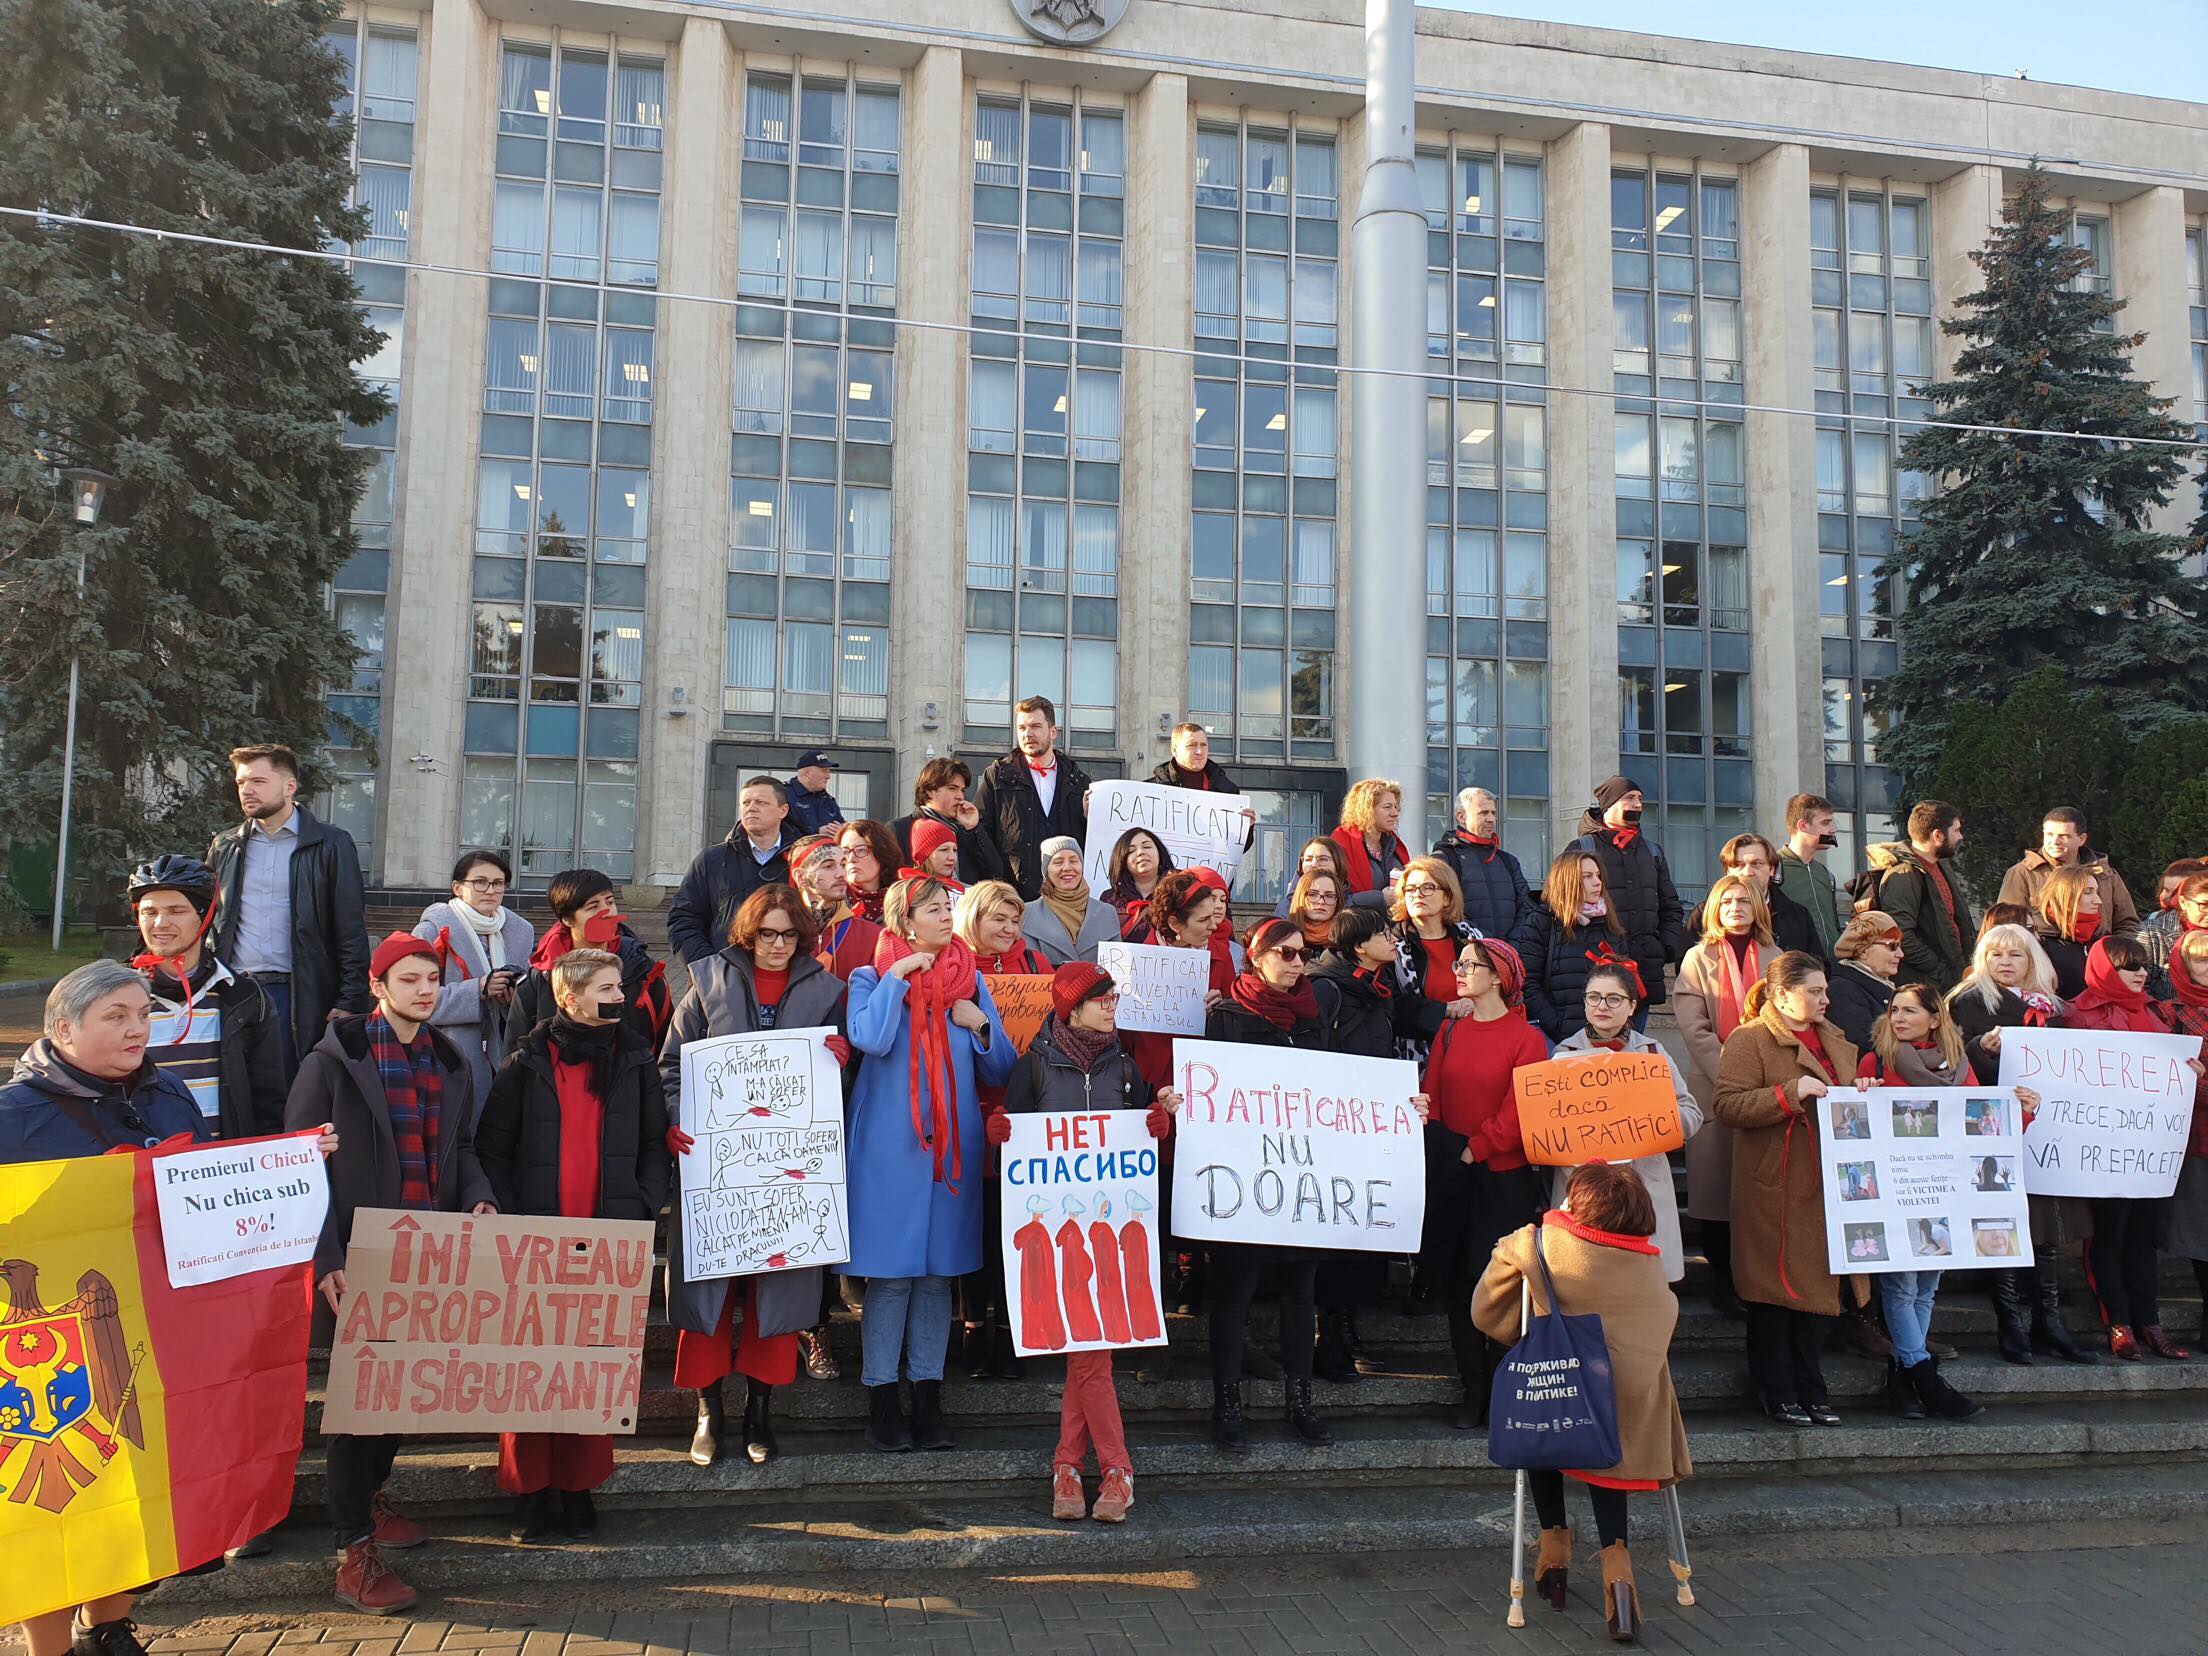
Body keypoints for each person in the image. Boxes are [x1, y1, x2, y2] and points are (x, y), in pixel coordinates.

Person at [0, 963, 212, 1656]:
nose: (134, 1029)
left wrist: (287, 1166)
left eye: (141, 1015)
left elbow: (205, 1186)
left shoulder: (168, 1091)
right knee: (56, 1506)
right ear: (62, 1030)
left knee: (139, 1484)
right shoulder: (12, 1114)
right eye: (114, 1017)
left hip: (153, 1327)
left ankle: (108, 1625)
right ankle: (48, 1648)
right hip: (51, 1347)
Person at [287, 933, 497, 1614]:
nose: (425, 991)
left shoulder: (449, 1059)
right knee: (356, 1404)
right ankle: (353, 1552)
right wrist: (325, 1257)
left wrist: (478, 1196)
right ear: (379, 986)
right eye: (410, 979)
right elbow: (300, 1165)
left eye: (433, 979)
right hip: (358, 1253)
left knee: (400, 1391)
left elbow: (461, 1147)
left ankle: (371, 1504)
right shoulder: (334, 1060)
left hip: (427, 1254)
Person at [475, 946, 670, 1541]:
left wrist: (640, 1201)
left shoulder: (635, 1059)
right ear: (570, 997)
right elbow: (493, 1150)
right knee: (528, 1372)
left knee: (593, 1368)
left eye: (619, 988)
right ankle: (530, 1495)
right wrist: (514, 1218)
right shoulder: (523, 1064)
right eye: (608, 989)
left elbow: (653, 1143)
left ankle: (580, 1488)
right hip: (536, 1243)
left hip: (607, 1239)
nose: (621, 997)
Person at [661, 886, 850, 1466]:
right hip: (715, 1168)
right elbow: (672, 1064)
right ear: (747, 933)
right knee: (712, 1291)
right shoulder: (707, 980)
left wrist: (845, 1061)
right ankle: (708, 1409)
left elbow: (838, 1093)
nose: (776, 945)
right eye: (766, 933)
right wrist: (676, 1122)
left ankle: (759, 1412)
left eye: (788, 934)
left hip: (790, 1173)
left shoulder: (828, 991)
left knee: (777, 1287)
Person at [1474, 1162, 1692, 1647]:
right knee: (1604, 1445)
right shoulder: (1651, 1264)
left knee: (1547, 1421)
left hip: (1563, 1389)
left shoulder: (1542, 1245)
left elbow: (1486, 1313)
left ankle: (1553, 1549)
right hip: (1634, 1402)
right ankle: (1619, 1573)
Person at [991, 961, 1179, 1523]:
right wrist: (1001, 1133)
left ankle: (1069, 1466)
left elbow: (1136, 1128)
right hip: (1056, 1239)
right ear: (1073, 1007)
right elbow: (1013, 1139)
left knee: (1090, 1357)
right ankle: (1116, 1470)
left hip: (1115, 1232)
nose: (1112, 1006)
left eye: (1113, 998)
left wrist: (1153, 1123)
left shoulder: (1125, 1065)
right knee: (1091, 1357)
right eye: (1102, 999)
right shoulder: (1034, 1067)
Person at [845, 876, 1018, 1451]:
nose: (948, 917)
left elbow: (1000, 1069)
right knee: (891, 1279)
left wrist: (982, 1025)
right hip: (888, 1152)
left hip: (953, 1150)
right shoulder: (869, 977)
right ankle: (879, 1402)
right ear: (904, 919)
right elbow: (870, 1038)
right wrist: (898, 978)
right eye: (934, 909)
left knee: (938, 1276)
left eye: (949, 908)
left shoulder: (970, 981)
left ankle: (927, 1397)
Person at [1202, 919, 1337, 1450]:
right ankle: (1227, 1407)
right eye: (1284, 954)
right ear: (1255, 958)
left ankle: (1300, 1401)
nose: (1296, 963)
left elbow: (1333, 1091)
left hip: (1298, 1174)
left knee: (1301, 1294)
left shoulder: (1312, 1016)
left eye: (1302, 954)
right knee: (1233, 1294)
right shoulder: (1229, 1017)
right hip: (1246, 1177)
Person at [1713, 951, 1856, 1427]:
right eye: (1813, 991)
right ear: (1779, 994)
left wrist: (1864, 1092)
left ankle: (1811, 1388)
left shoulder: (1834, 1039)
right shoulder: (1749, 1039)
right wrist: (1789, 1094)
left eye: (1824, 989)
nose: (1825, 998)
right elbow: (1728, 1106)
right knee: (1773, 1295)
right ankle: (1778, 1391)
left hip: (1825, 1183)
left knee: (1817, 1294)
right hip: (1774, 1186)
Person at [1947, 921, 2093, 1364]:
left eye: (2016, 955)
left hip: (2046, 1135)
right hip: (1992, 1134)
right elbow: (1949, 1063)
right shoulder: (1965, 1002)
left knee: (2046, 1231)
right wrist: (1979, 1049)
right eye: (1996, 955)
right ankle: (2010, 1328)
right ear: (1982, 961)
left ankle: (2048, 1325)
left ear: (2032, 961)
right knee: (2003, 1228)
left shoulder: (2055, 1009)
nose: (2006, 963)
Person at [1420, 936, 1551, 1428]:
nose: (1459, 970)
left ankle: (1503, 1390)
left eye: (1470, 965)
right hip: (1454, 1173)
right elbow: (1430, 1089)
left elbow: (1520, 1110)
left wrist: (1477, 1147)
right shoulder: (1450, 1031)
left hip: (1501, 1178)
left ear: (1498, 976)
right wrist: (1429, 1125)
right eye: (1460, 963)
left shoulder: (1527, 1039)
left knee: (1500, 1285)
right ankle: (1471, 1389)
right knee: (1458, 1284)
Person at [1857, 984, 1989, 1422]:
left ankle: (1902, 1378)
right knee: (1901, 1287)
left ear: (1935, 1018)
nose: (1898, 1018)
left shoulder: (1960, 1065)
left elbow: (1978, 1123)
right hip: (1898, 1191)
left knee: (1926, 1289)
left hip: (1943, 1188)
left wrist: (2022, 1110)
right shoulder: (1876, 1061)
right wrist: (1861, 1091)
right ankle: (1925, 1375)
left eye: (1909, 1011)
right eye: (1894, 1010)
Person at [2066, 935, 2201, 1361]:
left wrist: (2191, 1073)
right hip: (2103, 1152)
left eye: (2144, 966)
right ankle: (2118, 1321)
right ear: (2106, 970)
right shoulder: (2076, 1014)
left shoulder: (2154, 1016)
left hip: (2148, 1152)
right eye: (2130, 966)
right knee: (2109, 1237)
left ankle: (2150, 1323)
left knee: (2143, 1238)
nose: (2143, 973)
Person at [208, 741, 370, 1079]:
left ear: (289, 786)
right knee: (236, 1094)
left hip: (298, 996)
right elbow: (210, 923)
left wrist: (350, 1000)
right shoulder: (226, 846)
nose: (246, 791)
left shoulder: (330, 844)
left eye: (258, 781)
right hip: (234, 992)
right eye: (240, 783)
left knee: (290, 1099)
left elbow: (350, 929)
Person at [1307, 906, 1417, 1379]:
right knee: (1331, 1238)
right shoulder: (1326, 988)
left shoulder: (1379, 990)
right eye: (1383, 934)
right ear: (1357, 946)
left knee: (1359, 1236)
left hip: (1369, 1132)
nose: (1393, 940)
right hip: (1333, 1132)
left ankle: (1346, 1325)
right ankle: (1328, 1335)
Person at [952, 879, 1051, 1376]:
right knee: (976, 1226)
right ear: (973, 918)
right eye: (999, 920)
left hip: (1023, 1114)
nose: (1010, 929)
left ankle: (1014, 1330)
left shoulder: (1035, 965)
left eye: (1015, 921)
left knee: (1015, 1227)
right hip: (969, 1110)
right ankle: (973, 1330)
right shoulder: (954, 966)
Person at [1550, 960, 1703, 1279]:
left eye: (1613, 998)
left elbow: (1691, 1114)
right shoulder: (1563, 1056)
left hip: (1641, 1193)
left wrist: (1653, 1122)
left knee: (1641, 1296)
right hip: (1582, 1196)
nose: (1601, 1006)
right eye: (1594, 997)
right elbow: (1547, 1128)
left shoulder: (1651, 1053)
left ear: (1632, 1006)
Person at [1672, 876, 1777, 1319]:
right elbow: (1694, 1027)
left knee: (1758, 1192)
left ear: (1757, 906)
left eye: (1744, 900)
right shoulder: (1698, 958)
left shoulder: (1777, 957)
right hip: (1714, 1083)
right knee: (1716, 1192)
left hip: (1767, 1085)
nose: (1736, 907)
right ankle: (1723, 1281)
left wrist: (1762, 1074)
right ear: (1715, 907)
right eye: (1727, 900)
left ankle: (1756, 1279)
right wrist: (1733, 1074)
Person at [126, 854, 286, 1141]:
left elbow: (268, 1101)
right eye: (149, 912)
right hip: (136, 1167)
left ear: (204, 916)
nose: (160, 923)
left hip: (217, 1169)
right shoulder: (109, 995)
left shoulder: (245, 997)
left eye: (176, 910)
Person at [413, 850, 534, 1101]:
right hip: (449, 1052)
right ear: (457, 888)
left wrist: (514, 995)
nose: (490, 890)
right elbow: (412, 999)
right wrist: (478, 988)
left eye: (498, 883)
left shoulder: (519, 931)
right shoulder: (432, 930)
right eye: (480, 882)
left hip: (505, 1049)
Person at [508, 870, 672, 1055]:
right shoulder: (540, 977)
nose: (608, 912)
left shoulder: (642, 969)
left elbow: (668, 1042)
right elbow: (516, 1052)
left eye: (610, 902)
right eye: (593, 907)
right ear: (567, 919)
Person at [1567, 776, 1688, 1018]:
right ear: (1608, 806)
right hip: (1596, 969)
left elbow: (1670, 906)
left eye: (1640, 799)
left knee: (1634, 1050)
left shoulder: (1652, 851)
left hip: (1643, 970)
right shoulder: (1582, 848)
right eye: (1629, 798)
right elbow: (1564, 905)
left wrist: (1666, 947)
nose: (1638, 805)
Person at [668, 775, 806, 966]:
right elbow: (684, 918)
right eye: (746, 803)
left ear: (783, 810)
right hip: (721, 980)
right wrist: (707, 968)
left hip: (788, 979)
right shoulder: (711, 859)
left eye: (761, 802)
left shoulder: (804, 859)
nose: (751, 808)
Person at [974, 695, 1092, 901]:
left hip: (1066, 897)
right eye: (1021, 728)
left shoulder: (1078, 781)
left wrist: (1088, 818)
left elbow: (1090, 842)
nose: (1028, 734)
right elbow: (982, 833)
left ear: (1053, 731)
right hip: (1015, 896)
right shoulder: (997, 776)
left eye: (1036, 726)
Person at [2155, 931, 2208, 1347]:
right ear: (2182, 967)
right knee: (2200, 1233)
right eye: (2201, 961)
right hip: (2195, 1140)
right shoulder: (2167, 1015)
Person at [1518, 849, 1628, 1045]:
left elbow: (1624, 982)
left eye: (1598, 875)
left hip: (1608, 1038)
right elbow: (1528, 984)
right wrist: (1556, 1026)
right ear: (1567, 881)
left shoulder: (1609, 923)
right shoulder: (1541, 923)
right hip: (1559, 1039)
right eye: (1587, 876)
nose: (1598, 882)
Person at [1862, 802, 1973, 995]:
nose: (1960, 836)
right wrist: (1939, 971)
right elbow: (1899, 933)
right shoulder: (1903, 875)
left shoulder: (1940, 866)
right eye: (1956, 830)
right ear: (1938, 836)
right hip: (1924, 987)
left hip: (1948, 980)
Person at [1997, 806, 2141, 941]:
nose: (2055, 841)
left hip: (2098, 958)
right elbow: (2008, 926)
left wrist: (2115, 955)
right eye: (2049, 834)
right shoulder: (2022, 873)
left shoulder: (2105, 874)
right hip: (2045, 958)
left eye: (2063, 836)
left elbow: (2127, 923)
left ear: (2082, 839)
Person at [1388, 857, 1479, 1058]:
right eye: (1410, 889)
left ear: (1447, 897)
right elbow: (1391, 1006)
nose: (1417, 894)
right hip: (1417, 1054)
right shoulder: (1390, 944)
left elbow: (1500, 987)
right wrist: (1445, 1010)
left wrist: (1476, 1003)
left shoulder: (1473, 940)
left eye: (1427, 887)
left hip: (1473, 1045)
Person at [1694, 833, 1823, 962]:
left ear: (1771, 869)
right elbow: (1687, 966)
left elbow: (1817, 964)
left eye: (1756, 864)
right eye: (1739, 865)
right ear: (1727, 871)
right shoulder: (1704, 913)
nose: (1747, 872)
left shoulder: (1797, 915)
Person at [1431, 787, 1534, 943]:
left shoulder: (1508, 861)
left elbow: (1526, 907)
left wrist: (1512, 946)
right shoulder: (1444, 858)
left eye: (1493, 813)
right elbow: (1444, 910)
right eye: (1483, 813)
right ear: (1461, 817)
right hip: (1467, 957)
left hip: (1510, 955)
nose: (1491, 819)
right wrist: (1483, 945)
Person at [893, 757, 1006, 887]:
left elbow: (995, 873)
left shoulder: (966, 832)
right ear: (930, 791)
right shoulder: (899, 830)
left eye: (962, 790)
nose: (960, 796)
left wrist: (973, 829)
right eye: (952, 788)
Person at [1148, 721, 1258, 849]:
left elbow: (1239, 848)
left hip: (1209, 868)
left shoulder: (1227, 790)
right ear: (1174, 750)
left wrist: (1247, 828)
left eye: (1203, 745)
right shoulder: (1151, 790)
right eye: (1192, 745)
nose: (1199, 751)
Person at [789, 834, 882, 982]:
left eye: (843, 865)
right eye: (828, 866)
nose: (841, 874)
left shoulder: (873, 936)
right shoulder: (780, 932)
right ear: (800, 877)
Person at [1023, 835, 1118, 965]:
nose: (1067, 867)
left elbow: (1118, 968)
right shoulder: (1027, 914)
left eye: (1073, 861)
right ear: (1046, 871)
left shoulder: (1107, 913)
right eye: (1058, 862)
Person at [1775, 792, 1845, 962]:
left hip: (1830, 971)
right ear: (1803, 825)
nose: (1832, 830)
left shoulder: (1825, 874)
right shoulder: (1772, 869)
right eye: (1825, 823)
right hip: (1793, 970)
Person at [1826, 909, 1904, 1053]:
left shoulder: (1881, 987)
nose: (1901, 954)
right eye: (1892, 946)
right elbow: (1865, 1050)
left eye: (1900, 946)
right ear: (1863, 951)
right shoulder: (1841, 992)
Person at [1272, 834, 1388, 919]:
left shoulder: (1355, 907)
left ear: (1338, 865)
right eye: (1308, 859)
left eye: (1323, 859)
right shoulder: (1287, 908)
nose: (1314, 865)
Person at [2038, 863, 2107, 1002]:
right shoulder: (2040, 943)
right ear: (2065, 895)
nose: (2098, 900)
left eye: (2097, 892)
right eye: (2088, 892)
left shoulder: (2102, 941)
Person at [1330, 776, 1410, 896]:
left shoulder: (1395, 845)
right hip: (1356, 915)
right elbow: (1337, 898)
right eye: (1387, 807)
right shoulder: (1341, 843)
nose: (1395, 813)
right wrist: (1380, 899)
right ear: (1366, 809)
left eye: (1396, 806)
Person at [2140, 862, 2208, 976]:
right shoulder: (2153, 932)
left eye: (2174, 891)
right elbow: (2138, 984)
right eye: (2203, 905)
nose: (2166, 897)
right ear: (2184, 901)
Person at [1104, 827, 1175, 936]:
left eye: (1147, 846)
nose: (1140, 852)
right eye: (1131, 851)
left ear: (1159, 853)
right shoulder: (1109, 899)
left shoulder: (1179, 892)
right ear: (1122, 862)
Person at [838, 819, 905, 923]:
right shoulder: (834, 901)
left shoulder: (904, 897)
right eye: (845, 852)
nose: (851, 859)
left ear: (882, 853)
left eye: (861, 850)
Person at [784, 750, 847, 837]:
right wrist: (816, 832)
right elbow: (778, 831)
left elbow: (842, 824)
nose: (828, 776)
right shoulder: (783, 795)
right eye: (824, 771)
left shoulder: (828, 801)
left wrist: (843, 831)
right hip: (795, 850)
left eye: (829, 771)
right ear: (807, 772)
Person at [1287, 865, 1345, 952]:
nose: (1321, 901)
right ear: (1300, 897)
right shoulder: (1284, 939)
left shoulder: (1349, 941)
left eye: (1329, 896)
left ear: (1338, 901)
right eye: (1312, 894)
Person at [905, 817, 967, 890]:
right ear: (924, 854)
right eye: (944, 850)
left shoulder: (965, 891)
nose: (952, 857)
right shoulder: (906, 892)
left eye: (955, 850)